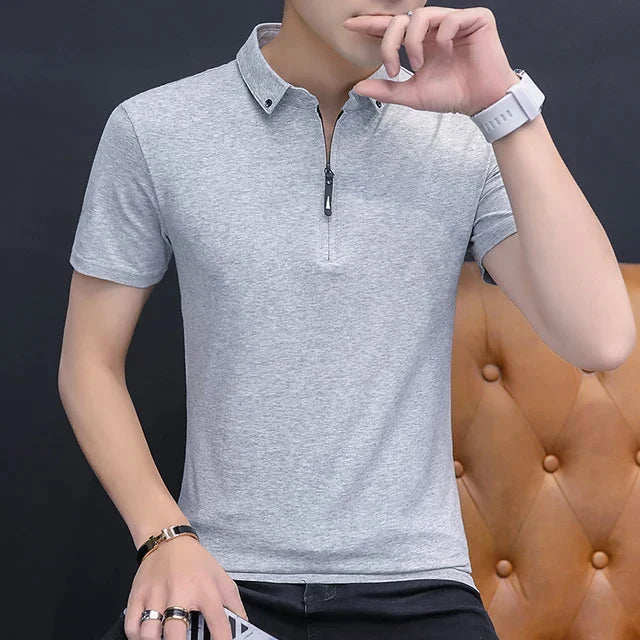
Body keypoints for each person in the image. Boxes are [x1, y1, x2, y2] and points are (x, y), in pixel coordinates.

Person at [62, 0, 630, 639]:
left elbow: (601, 337)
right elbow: (89, 363)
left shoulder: (465, 136)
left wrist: (503, 107)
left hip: (420, 588)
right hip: (221, 581)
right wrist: (164, 536)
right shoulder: (156, 128)